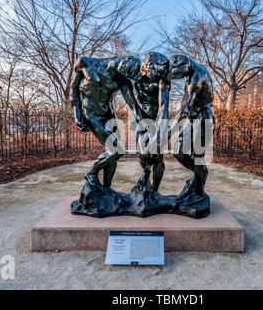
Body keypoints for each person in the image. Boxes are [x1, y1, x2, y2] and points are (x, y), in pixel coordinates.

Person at [71, 56, 143, 191]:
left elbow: (133, 105)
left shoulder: (123, 80)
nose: (127, 76)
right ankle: (92, 172)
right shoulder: (85, 63)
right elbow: (73, 89)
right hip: (91, 115)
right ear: (122, 63)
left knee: (113, 153)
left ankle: (107, 188)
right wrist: (77, 113)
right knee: (117, 150)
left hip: (109, 115)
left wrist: (141, 118)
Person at [168, 54, 214, 203]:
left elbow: (185, 109)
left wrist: (168, 132)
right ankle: (198, 176)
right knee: (178, 151)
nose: (177, 77)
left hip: (204, 119)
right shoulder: (193, 72)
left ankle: (199, 192)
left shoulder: (196, 78)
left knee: (197, 157)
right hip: (193, 119)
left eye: (177, 74)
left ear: (185, 66)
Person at [133, 52, 170, 193]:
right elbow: (134, 102)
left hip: (156, 120)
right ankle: (146, 177)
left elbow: (164, 105)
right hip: (142, 120)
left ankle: (155, 189)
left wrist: (159, 130)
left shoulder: (162, 80)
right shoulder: (136, 78)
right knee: (143, 154)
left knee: (158, 157)